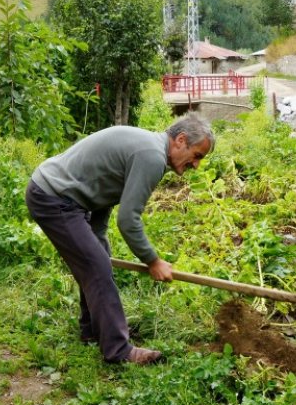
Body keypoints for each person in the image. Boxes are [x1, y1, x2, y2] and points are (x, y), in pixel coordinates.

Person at [25, 114, 215, 365]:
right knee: (96, 266)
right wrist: (153, 260)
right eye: (198, 155)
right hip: (54, 197)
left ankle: (93, 331)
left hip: (64, 196)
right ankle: (118, 351)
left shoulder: (147, 147)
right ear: (181, 140)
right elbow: (128, 220)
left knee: (96, 258)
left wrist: (97, 235)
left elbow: (103, 185)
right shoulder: (151, 157)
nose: (196, 165)